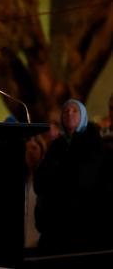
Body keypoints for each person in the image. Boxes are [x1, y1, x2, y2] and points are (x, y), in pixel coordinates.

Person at [34, 99, 112, 255]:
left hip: (83, 228)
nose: (69, 113)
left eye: (75, 111)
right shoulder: (57, 145)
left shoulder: (92, 142)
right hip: (54, 229)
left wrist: (56, 178)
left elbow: (81, 180)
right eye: (66, 111)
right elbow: (39, 181)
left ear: (83, 115)